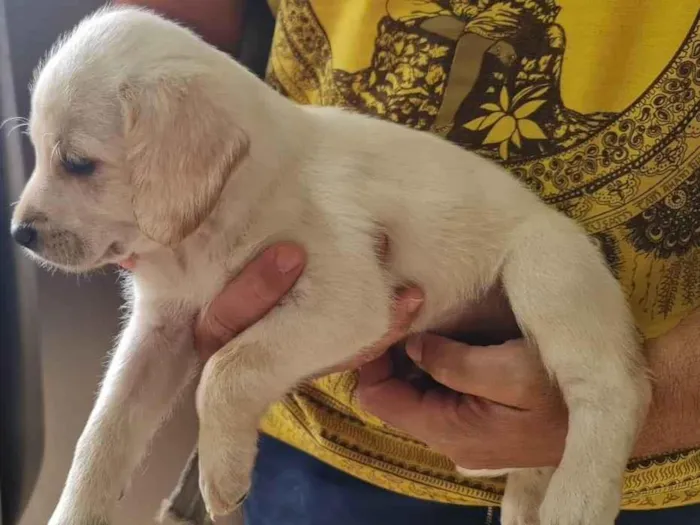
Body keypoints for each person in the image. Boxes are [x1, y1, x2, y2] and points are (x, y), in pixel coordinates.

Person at [119, 1, 700, 523]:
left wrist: (653, 407)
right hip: (319, 436)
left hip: (661, 461)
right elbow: (178, 25)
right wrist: (156, 169)